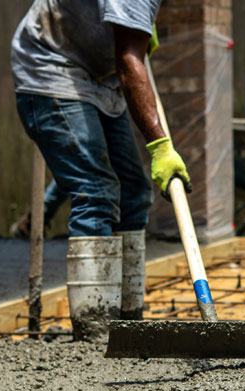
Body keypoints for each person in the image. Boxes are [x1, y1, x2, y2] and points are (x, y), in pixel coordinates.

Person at [11, 0, 191, 338]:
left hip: (98, 78)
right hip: (53, 68)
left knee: (134, 193)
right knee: (96, 191)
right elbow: (128, 61)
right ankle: (95, 331)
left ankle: (127, 321)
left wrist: (136, 33)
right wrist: (161, 146)